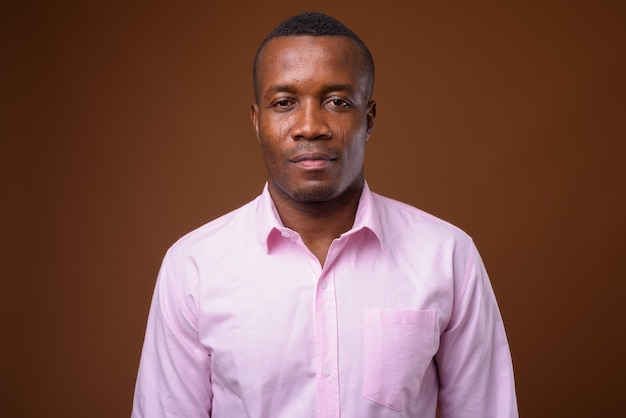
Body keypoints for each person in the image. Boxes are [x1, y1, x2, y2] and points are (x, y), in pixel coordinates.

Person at [132, 12, 518, 418]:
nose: (310, 126)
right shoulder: (193, 267)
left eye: (337, 102)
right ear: (257, 121)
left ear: (367, 119)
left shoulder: (447, 256)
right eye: (284, 103)